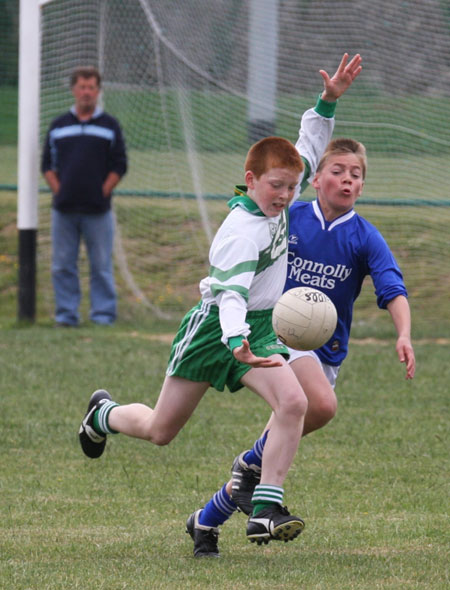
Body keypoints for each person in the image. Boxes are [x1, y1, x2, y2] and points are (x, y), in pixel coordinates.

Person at [78, 54, 362, 549]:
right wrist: (236, 341)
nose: (285, 195)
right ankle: (103, 414)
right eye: (276, 186)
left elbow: (309, 145)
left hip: (257, 326)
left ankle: (266, 507)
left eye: (292, 187)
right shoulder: (238, 233)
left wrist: (327, 101)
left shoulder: (282, 191)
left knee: (293, 401)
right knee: (160, 430)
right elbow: (229, 293)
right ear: (249, 179)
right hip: (216, 330)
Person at [186, 136, 416, 557]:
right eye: (338, 171)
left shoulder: (364, 236)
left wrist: (403, 333)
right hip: (278, 336)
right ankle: (256, 487)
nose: (347, 180)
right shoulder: (287, 216)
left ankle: (206, 519)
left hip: (326, 352)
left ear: (363, 186)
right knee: (321, 406)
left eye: (356, 175)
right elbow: (247, 232)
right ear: (315, 177)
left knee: (266, 455)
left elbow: (392, 286)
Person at [41, 66, 127, 327]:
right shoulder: (58, 125)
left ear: (98, 91)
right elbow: (47, 165)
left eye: (91, 87)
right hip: (63, 210)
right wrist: (61, 190)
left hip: (98, 211)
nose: (86, 92)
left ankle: (103, 316)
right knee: (62, 266)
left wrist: (101, 191)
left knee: (100, 266)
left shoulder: (110, 126)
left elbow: (119, 165)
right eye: (82, 87)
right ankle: (66, 317)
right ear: (73, 90)